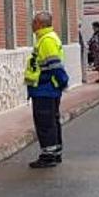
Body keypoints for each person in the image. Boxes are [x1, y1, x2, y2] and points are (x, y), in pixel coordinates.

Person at [25, 11, 69, 169]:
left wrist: (63, 82)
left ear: (40, 24)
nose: (31, 24)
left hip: (45, 89)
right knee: (51, 121)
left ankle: (48, 155)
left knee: (45, 123)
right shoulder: (47, 38)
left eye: (34, 21)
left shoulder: (46, 40)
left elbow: (55, 65)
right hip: (47, 88)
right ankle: (55, 152)